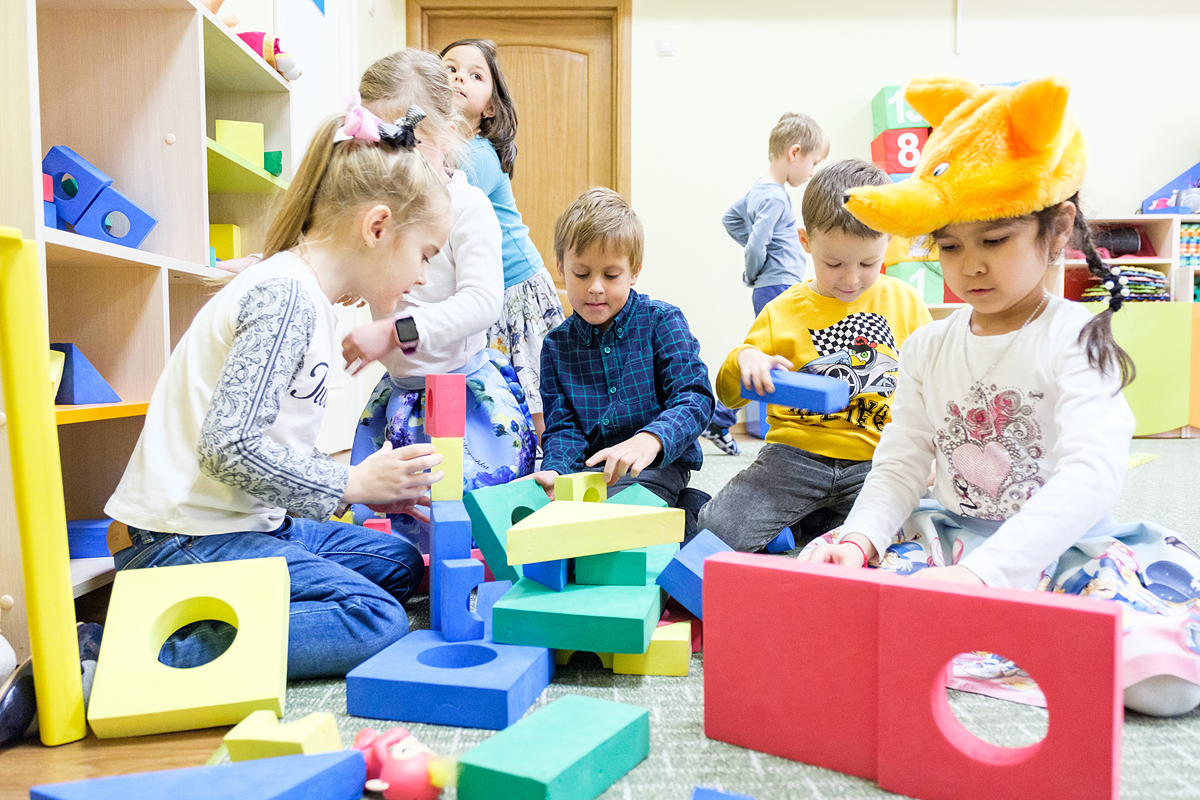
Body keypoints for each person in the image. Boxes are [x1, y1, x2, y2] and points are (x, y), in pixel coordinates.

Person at [802, 75, 1200, 717]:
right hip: (955, 539)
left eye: (994, 241)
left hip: (1059, 545)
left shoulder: (1075, 339)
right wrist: (861, 539)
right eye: (950, 247)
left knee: (1164, 682)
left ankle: (1025, 630)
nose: (969, 268)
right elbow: (902, 464)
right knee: (831, 601)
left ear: (1058, 228)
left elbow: (1091, 476)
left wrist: (987, 577)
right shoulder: (930, 346)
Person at [102, 104, 452, 679]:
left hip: (248, 524)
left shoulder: (306, 296)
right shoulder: (285, 297)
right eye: (424, 256)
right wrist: (351, 480)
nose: (420, 277)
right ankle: (139, 652)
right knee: (374, 618)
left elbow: (272, 445)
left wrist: (360, 494)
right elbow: (228, 449)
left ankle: (217, 617)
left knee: (397, 561)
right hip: (182, 538)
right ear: (378, 227)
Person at [342, 49, 536, 549]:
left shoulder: (468, 207)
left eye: (409, 148)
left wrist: (393, 330)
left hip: (460, 397)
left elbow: (481, 302)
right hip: (400, 391)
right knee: (391, 527)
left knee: (467, 521)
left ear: (448, 136)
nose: (394, 168)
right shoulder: (381, 208)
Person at [697, 160, 932, 552]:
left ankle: (813, 523)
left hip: (875, 463)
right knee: (714, 535)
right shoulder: (782, 311)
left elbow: (933, 385)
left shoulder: (904, 302)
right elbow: (728, 396)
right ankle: (810, 519)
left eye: (868, 263)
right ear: (806, 242)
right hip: (793, 459)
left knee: (918, 534)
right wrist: (744, 361)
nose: (851, 279)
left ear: (888, 242)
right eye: (834, 263)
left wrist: (933, 454)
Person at [528, 188, 715, 537]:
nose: (595, 288)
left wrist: (650, 439)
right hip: (594, 472)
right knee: (561, 528)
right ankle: (689, 509)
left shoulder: (661, 321)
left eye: (611, 276)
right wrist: (555, 470)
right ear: (560, 268)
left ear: (634, 272)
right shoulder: (556, 346)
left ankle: (690, 517)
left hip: (657, 463)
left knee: (619, 533)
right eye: (581, 274)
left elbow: (695, 397)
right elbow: (562, 426)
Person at [440, 38, 566, 441]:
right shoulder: (434, 152)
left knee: (533, 396)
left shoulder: (477, 156)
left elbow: (436, 208)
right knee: (495, 391)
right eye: (449, 69)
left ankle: (550, 462)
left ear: (490, 108)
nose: (460, 77)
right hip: (483, 287)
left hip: (516, 288)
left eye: (475, 75)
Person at [704, 112, 830, 455]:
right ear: (794, 152)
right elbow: (757, 242)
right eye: (813, 163)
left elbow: (731, 219)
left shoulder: (758, 190)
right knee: (787, 350)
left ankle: (721, 417)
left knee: (770, 352)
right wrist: (755, 267)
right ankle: (724, 416)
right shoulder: (775, 196)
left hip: (773, 283)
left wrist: (759, 258)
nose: (812, 172)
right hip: (780, 283)